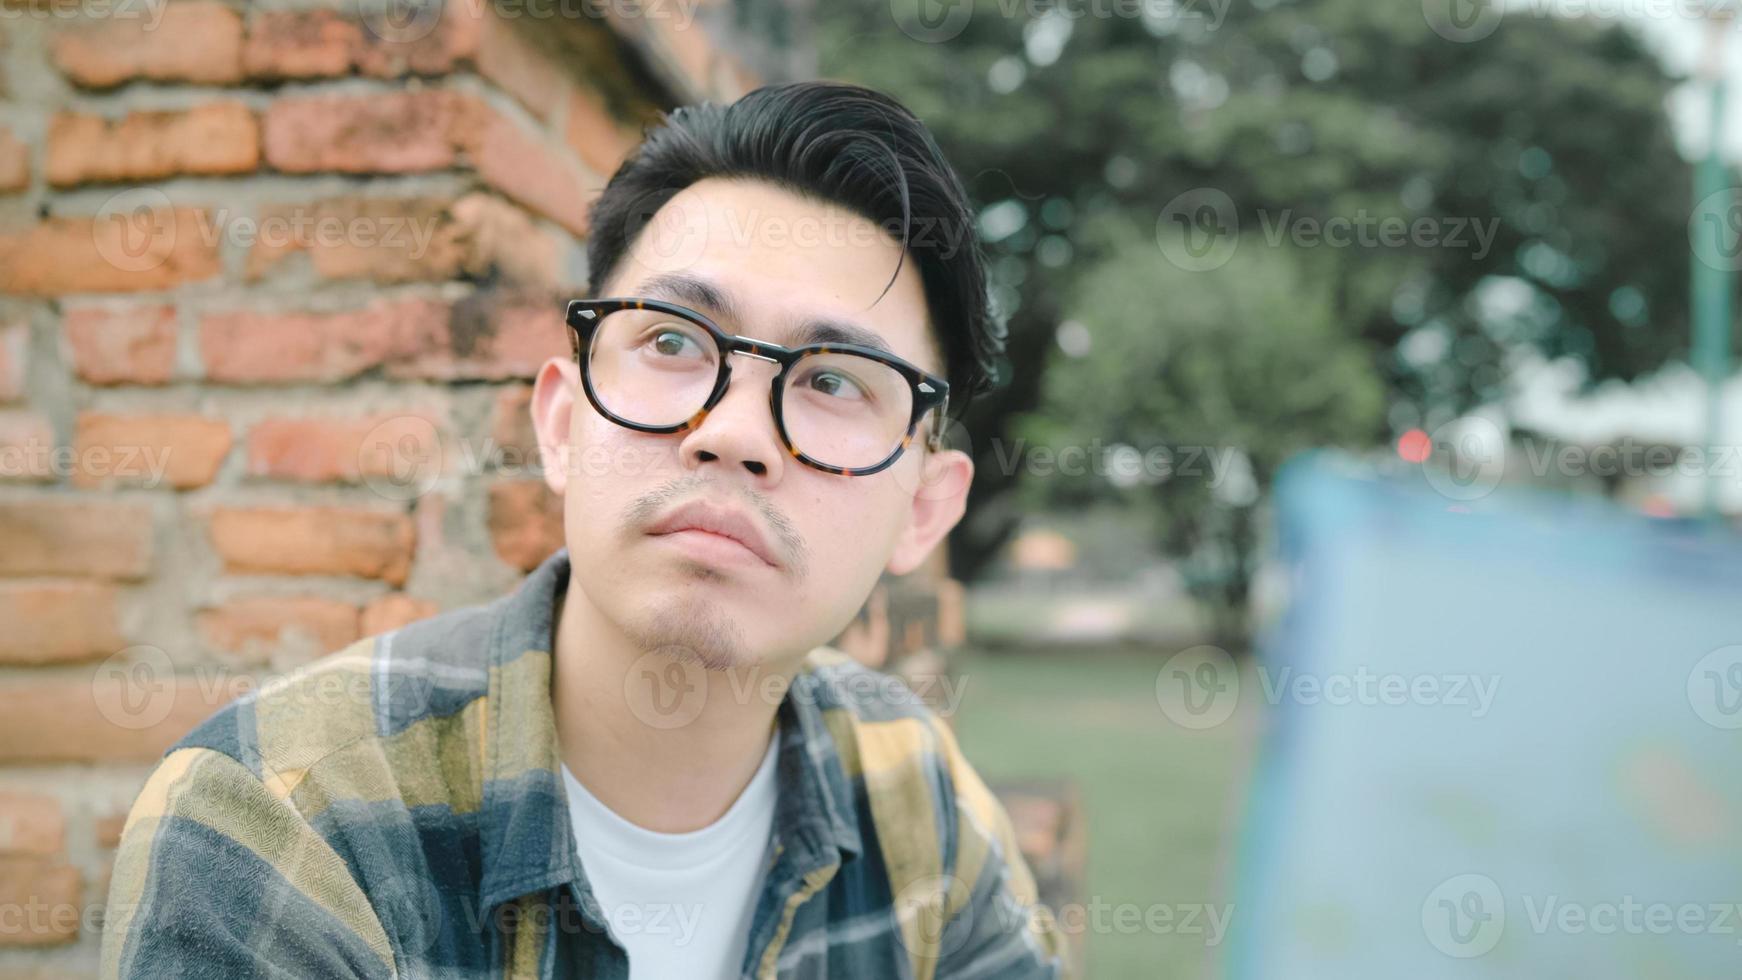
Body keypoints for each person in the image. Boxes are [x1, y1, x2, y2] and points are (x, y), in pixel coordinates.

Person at [100, 80, 1072, 979]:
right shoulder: (289, 818)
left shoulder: (918, 802)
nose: (732, 431)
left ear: (923, 507)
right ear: (562, 423)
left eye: (829, 381)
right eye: (672, 341)